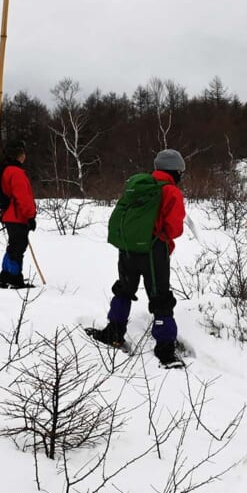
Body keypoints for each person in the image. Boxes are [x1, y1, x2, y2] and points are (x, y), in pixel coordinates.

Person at [91, 149, 186, 367]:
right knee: (160, 297)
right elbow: (174, 228)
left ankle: (113, 332)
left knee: (124, 289)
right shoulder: (170, 192)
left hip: (127, 249)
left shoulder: (138, 185)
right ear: (175, 170)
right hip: (154, 251)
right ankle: (165, 348)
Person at [0, 139, 37, 289]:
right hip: (17, 216)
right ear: (19, 155)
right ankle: (14, 277)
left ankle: (6, 276)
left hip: (10, 215)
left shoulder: (8, 170)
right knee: (18, 247)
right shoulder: (15, 172)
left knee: (14, 246)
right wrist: (30, 216)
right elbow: (23, 197)